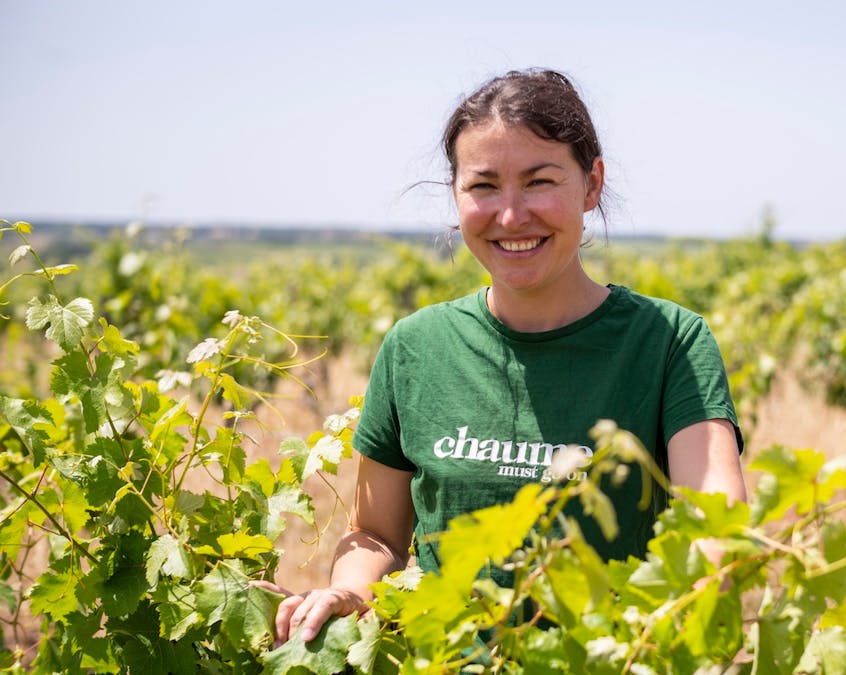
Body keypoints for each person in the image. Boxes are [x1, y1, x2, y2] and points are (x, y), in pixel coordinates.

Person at [262, 68, 747, 644]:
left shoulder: (670, 343)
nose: (511, 216)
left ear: (591, 185)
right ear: (456, 195)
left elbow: (713, 526)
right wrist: (349, 590)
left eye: (539, 182)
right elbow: (377, 535)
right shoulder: (415, 348)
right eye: (484, 186)